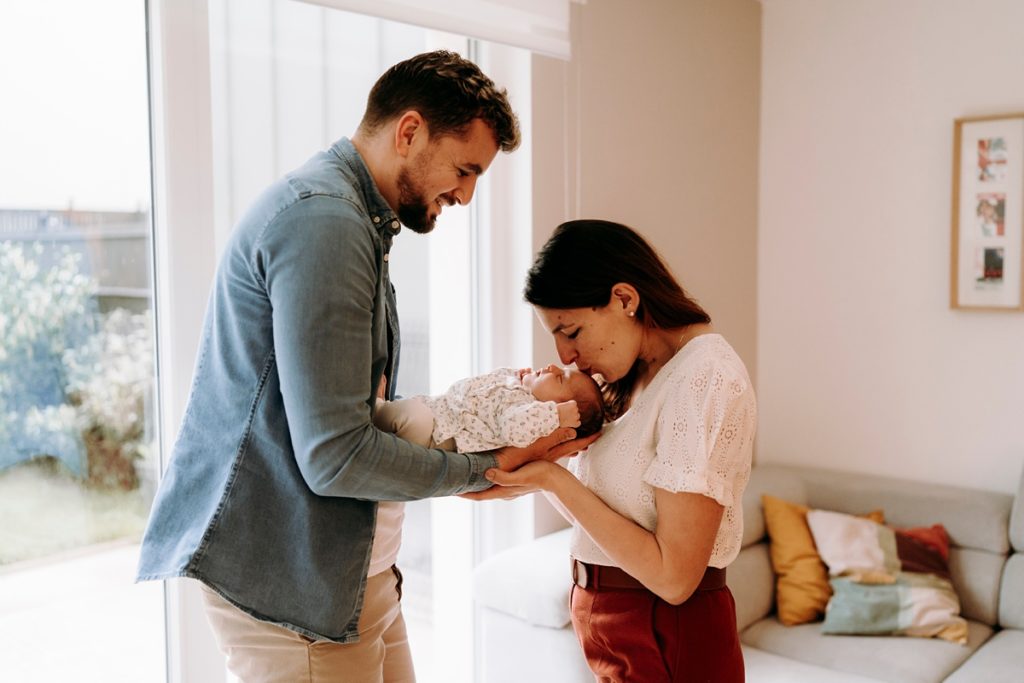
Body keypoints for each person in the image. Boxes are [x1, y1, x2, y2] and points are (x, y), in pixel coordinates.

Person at [135, 50, 593, 683]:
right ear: (409, 132)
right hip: (297, 587)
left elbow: (356, 413)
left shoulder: (355, 220)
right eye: (465, 169)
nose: (465, 194)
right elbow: (336, 457)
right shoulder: (326, 223)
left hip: (347, 574)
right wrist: (478, 472)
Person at [480, 219, 756, 682]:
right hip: (616, 632)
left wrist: (553, 478)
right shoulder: (627, 378)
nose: (565, 355)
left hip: (668, 634)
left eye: (571, 330)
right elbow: (613, 514)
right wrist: (539, 466)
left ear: (624, 299)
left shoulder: (704, 376)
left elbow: (674, 578)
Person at [374, 364, 605, 454]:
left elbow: (513, 428)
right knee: (411, 409)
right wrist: (514, 377)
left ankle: (376, 411)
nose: (553, 367)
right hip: (439, 409)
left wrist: (555, 416)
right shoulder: (518, 390)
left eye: (561, 378)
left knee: (414, 416)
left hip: (439, 434)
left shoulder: (527, 415)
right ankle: (382, 411)